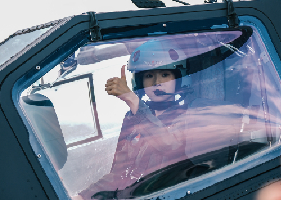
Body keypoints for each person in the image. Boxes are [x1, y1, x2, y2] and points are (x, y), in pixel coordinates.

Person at [76, 39, 193, 199]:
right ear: (140, 82)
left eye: (165, 74)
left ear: (178, 79)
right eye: (149, 75)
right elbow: (117, 175)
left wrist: (134, 102)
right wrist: (83, 196)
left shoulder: (187, 115)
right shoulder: (132, 117)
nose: (157, 83)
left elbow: (170, 148)